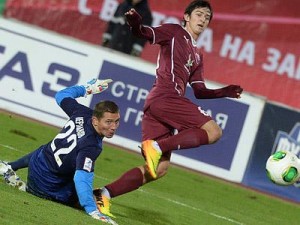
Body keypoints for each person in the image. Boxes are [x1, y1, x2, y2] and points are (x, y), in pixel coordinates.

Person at [93, 0, 244, 218]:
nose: (203, 19)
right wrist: (135, 23)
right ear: (186, 16)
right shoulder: (174, 32)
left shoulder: (198, 55)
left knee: (159, 170)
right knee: (214, 132)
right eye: (199, 14)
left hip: (160, 105)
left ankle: (103, 193)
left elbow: (200, 91)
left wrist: (224, 92)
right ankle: (155, 146)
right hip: (165, 96)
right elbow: (143, 33)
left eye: (207, 17)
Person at [0, 78, 119, 225]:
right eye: (108, 122)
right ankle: (28, 189)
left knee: (49, 149)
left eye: (116, 121)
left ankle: (10, 166)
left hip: (37, 162)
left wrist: (87, 89)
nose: (113, 127)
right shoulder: (91, 146)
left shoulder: (81, 112)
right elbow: (81, 179)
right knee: (95, 196)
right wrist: (92, 211)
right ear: (95, 121)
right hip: (47, 185)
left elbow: (61, 95)